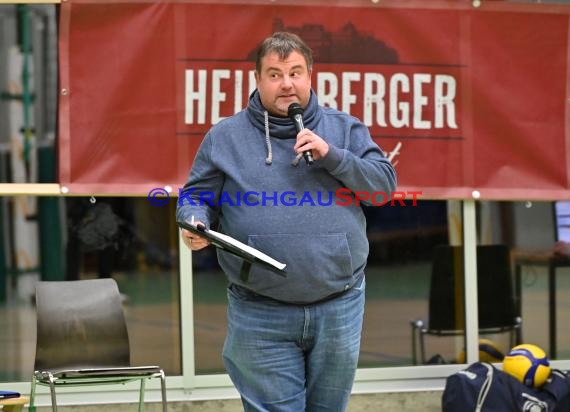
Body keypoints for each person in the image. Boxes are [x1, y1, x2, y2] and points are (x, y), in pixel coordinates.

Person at [176, 32, 397, 411]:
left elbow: (382, 189)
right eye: (275, 74)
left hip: (339, 305)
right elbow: (196, 196)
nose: (287, 84)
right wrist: (194, 220)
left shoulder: (345, 128)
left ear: (311, 76)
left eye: (295, 72)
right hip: (260, 310)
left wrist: (333, 156)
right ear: (258, 79)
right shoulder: (224, 137)